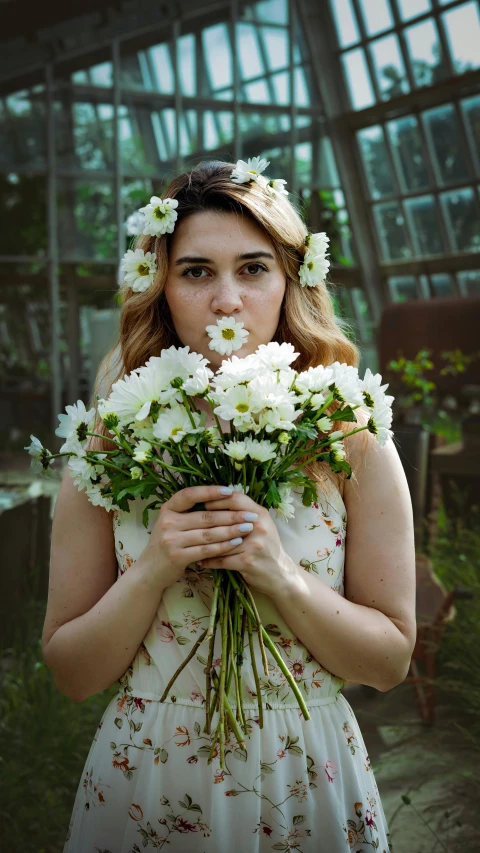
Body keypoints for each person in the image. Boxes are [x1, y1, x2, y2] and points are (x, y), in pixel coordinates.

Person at [42, 159, 416, 852]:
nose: (225, 300)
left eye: (252, 268)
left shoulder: (350, 439)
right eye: (195, 272)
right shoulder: (110, 444)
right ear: (161, 287)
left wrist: (280, 574)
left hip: (304, 769)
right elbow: (70, 670)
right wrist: (154, 566)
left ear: (290, 281)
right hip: (148, 775)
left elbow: (390, 661)